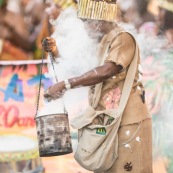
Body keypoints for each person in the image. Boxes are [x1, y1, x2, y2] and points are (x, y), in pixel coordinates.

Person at [43, 0, 153, 172]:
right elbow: (79, 70)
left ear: (99, 19)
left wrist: (66, 84)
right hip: (109, 119)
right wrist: (56, 52)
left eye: (86, 22)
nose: (85, 27)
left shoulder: (123, 38)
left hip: (128, 122)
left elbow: (106, 71)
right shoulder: (101, 42)